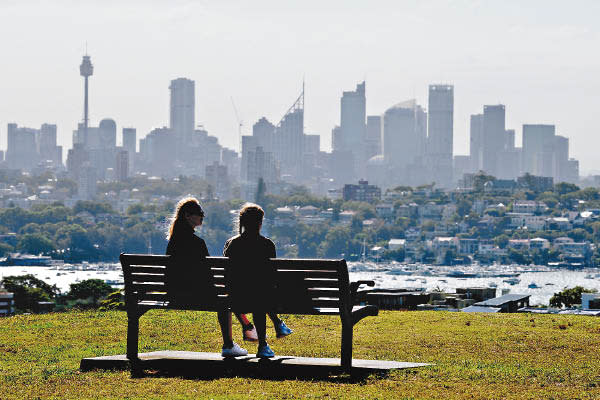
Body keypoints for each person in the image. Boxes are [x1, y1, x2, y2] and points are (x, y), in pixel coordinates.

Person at [166, 197, 248, 357]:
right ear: (188, 216)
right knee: (225, 300)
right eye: (199, 213)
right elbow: (208, 275)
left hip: (175, 294)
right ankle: (229, 344)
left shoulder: (173, 241)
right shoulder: (197, 243)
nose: (202, 216)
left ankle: (245, 330)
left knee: (224, 298)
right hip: (193, 295)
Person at [223, 203, 292, 358]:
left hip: (236, 299)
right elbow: (272, 277)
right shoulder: (267, 244)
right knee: (260, 294)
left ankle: (278, 325)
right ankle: (264, 343)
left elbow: (227, 276)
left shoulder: (232, 244)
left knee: (256, 291)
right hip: (260, 299)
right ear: (260, 223)